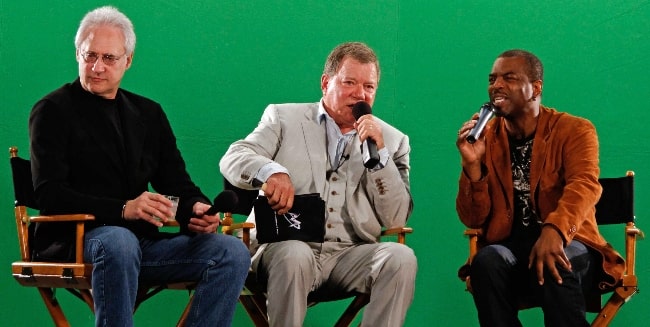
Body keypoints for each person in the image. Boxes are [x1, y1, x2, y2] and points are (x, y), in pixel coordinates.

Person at [28, 6, 250, 327]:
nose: (97, 66)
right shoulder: (51, 110)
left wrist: (197, 210)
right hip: (75, 241)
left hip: (140, 244)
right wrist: (124, 209)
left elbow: (176, 183)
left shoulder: (148, 113)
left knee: (231, 252)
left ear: (127, 61)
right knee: (119, 240)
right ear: (78, 54)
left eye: (109, 58)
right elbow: (49, 194)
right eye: (89, 55)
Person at [220, 41, 416, 327]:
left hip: (349, 254)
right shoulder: (283, 118)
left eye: (369, 87)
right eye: (349, 82)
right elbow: (234, 156)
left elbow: (396, 217)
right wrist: (271, 171)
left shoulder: (393, 141)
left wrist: (380, 158)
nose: (360, 94)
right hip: (282, 247)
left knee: (401, 257)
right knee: (295, 253)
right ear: (326, 83)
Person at [455, 49, 625, 326]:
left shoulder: (574, 130)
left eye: (508, 78)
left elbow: (584, 186)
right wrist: (472, 166)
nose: (496, 85)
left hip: (570, 244)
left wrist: (554, 231)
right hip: (512, 249)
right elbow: (473, 219)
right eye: (492, 79)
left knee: (555, 259)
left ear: (535, 88)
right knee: (486, 261)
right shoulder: (486, 138)